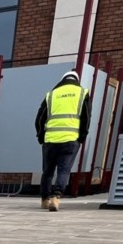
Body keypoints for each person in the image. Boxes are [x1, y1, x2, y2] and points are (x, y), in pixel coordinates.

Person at [34, 70, 91, 212]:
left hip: (50, 140)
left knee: (47, 172)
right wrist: (82, 137)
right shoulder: (82, 93)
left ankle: (44, 200)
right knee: (64, 170)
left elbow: (39, 119)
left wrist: (41, 136)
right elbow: (86, 118)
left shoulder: (51, 94)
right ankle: (56, 197)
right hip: (70, 139)